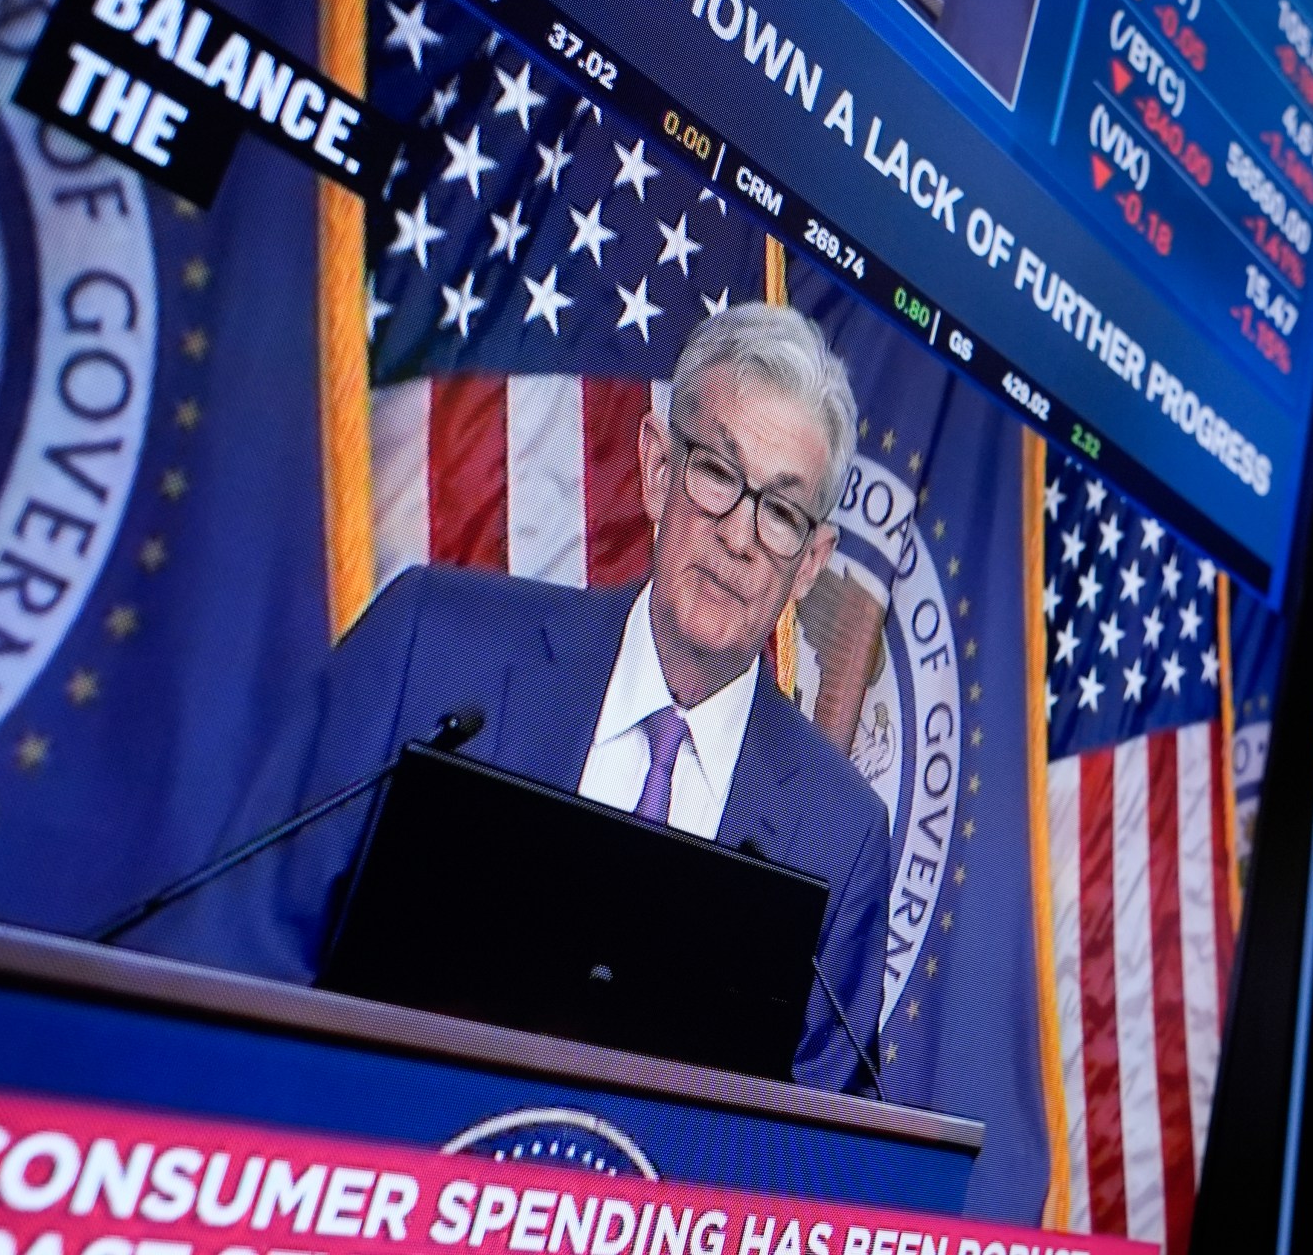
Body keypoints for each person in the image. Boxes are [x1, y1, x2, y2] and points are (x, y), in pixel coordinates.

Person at [144, 304, 888, 1094]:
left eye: (778, 510)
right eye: (716, 474)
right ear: (658, 469)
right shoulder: (431, 647)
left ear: (810, 563)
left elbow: (820, 1167)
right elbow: (232, 948)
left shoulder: (837, 834)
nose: (739, 536)